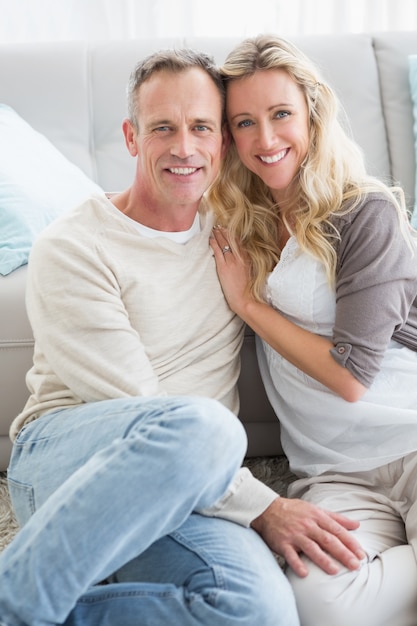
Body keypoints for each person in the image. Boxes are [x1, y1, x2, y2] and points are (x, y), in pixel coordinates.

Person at [0, 47, 364, 626]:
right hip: (70, 460)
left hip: (198, 483)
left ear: (223, 139)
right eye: (162, 128)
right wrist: (264, 506)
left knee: (259, 613)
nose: (184, 148)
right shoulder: (73, 247)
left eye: (201, 127)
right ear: (131, 136)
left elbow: (336, 206)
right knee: (202, 424)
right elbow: (142, 408)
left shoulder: (238, 233)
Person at [209, 34, 417, 626]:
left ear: (312, 115)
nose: (266, 140)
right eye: (244, 122)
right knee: (320, 604)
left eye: (281, 115)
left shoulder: (364, 209)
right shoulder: (235, 224)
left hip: (412, 435)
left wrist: (250, 305)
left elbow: (352, 379)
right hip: (333, 471)